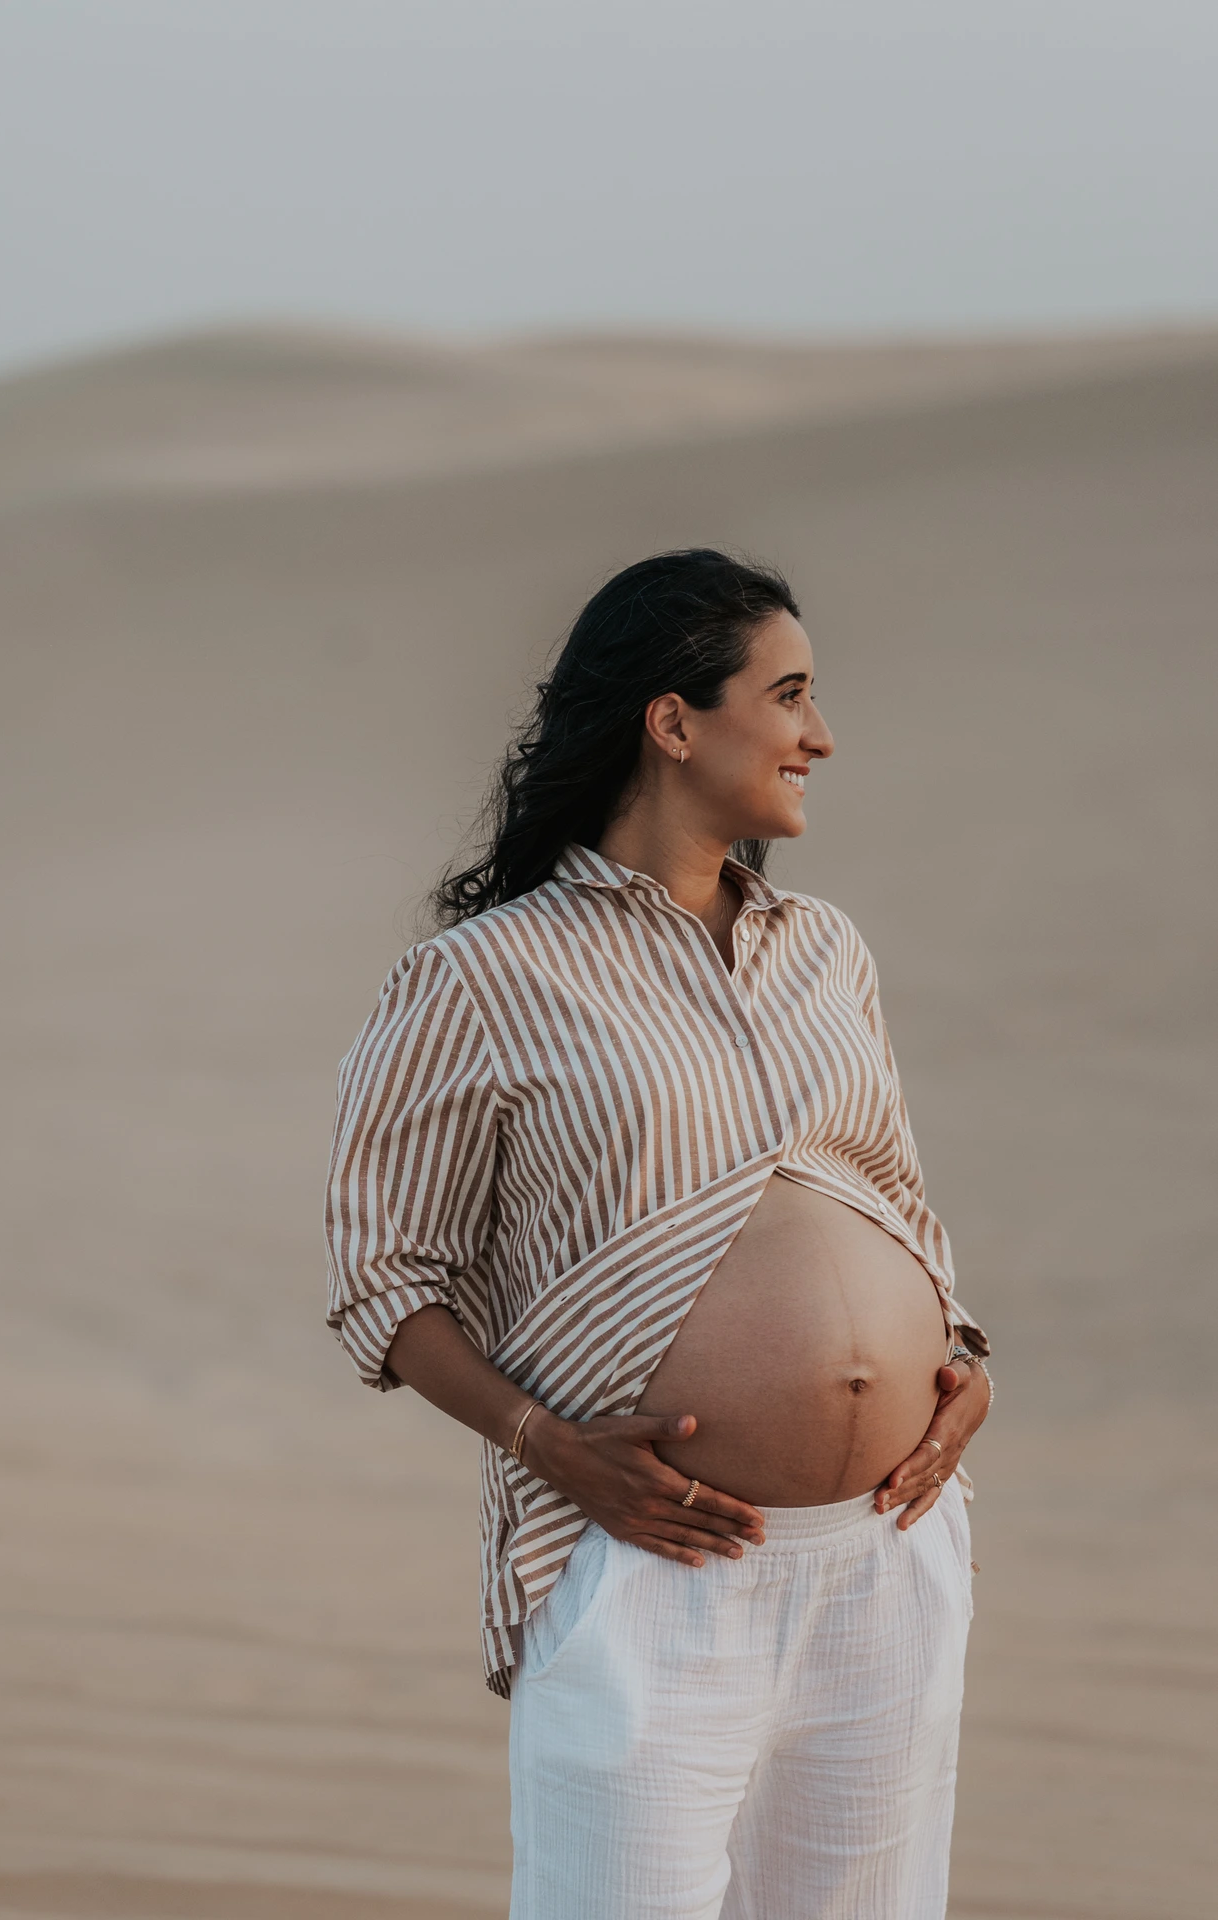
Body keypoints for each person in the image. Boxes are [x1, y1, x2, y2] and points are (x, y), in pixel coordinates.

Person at [324, 548, 993, 1919]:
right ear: (673, 721)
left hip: (886, 1559)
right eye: (788, 695)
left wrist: (962, 1359)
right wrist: (548, 1444)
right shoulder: (480, 975)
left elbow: (895, 1196)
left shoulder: (827, 951)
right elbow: (382, 1275)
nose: (820, 735)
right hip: (651, 1568)